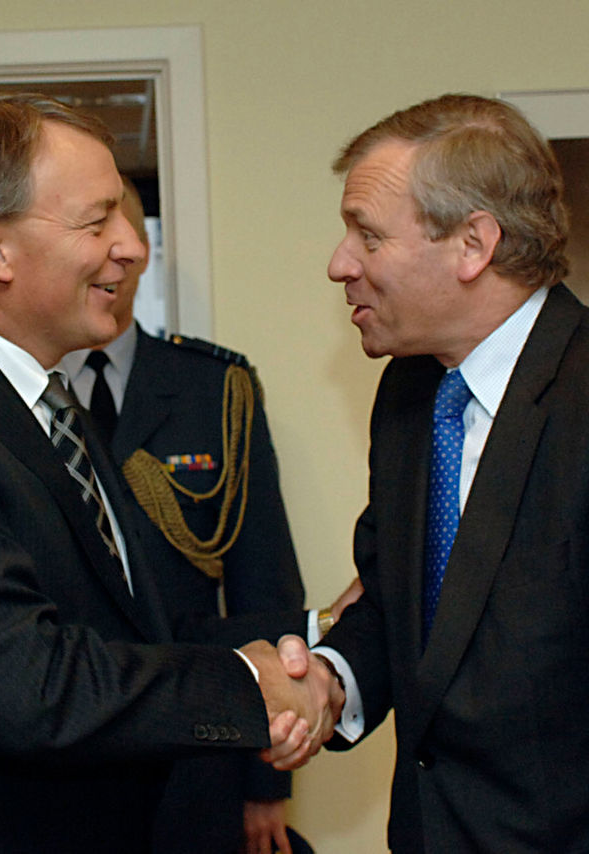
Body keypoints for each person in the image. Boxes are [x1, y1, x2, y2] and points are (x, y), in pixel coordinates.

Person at [0, 93, 339, 854]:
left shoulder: (47, 403)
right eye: (97, 222)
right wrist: (252, 687)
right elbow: (29, 689)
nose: (130, 246)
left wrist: (318, 638)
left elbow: (129, 632)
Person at [283, 93, 589, 853]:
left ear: (473, 243)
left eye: (367, 236)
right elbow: (403, 605)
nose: (340, 264)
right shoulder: (411, 391)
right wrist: (334, 679)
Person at [60, 180, 359, 854]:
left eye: (129, 250)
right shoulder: (28, 396)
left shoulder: (212, 389)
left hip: (201, 750)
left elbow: (262, 580)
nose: (117, 264)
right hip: (67, 746)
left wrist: (265, 785)